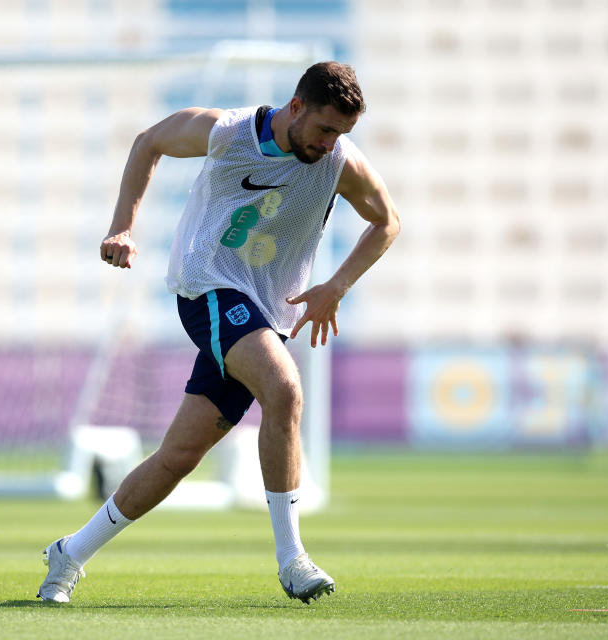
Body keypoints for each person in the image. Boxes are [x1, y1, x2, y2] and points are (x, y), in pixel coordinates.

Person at [37, 61, 400, 605]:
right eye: (325, 129)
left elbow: (387, 221)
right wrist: (123, 225)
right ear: (296, 107)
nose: (331, 144)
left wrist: (337, 285)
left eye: (342, 134)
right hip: (207, 287)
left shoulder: (338, 161)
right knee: (284, 390)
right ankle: (292, 559)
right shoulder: (228, 132)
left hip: (262, 312)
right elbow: (147, 142)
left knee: (178, 457)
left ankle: (71, 553)